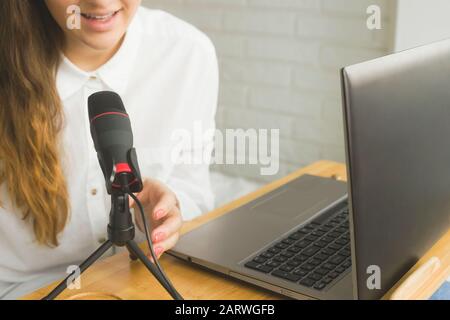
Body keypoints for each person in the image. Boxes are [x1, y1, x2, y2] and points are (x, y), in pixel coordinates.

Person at [0, 0, 218, 299]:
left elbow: (194, 190)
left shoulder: (188, 51)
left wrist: (164, 212)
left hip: (140, 277)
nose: (101, 2)